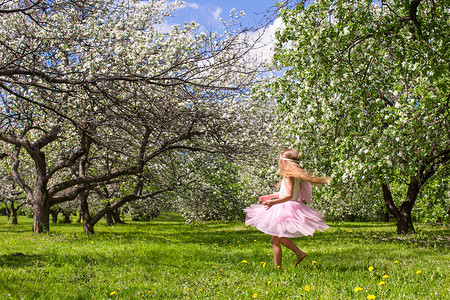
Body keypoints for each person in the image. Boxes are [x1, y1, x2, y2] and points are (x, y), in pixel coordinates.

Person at [244, 149, 331, 268]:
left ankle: (278, 267)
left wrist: (273, 203)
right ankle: (299, 253)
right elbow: (284, 193)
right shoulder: (292, 176)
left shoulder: (289, 176)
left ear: (284, 162)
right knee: (279, 237)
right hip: (288, 206)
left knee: (275, 240)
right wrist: (269, 196)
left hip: (286, 208)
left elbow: (289, 196)